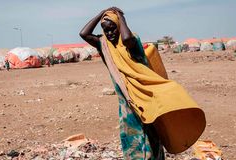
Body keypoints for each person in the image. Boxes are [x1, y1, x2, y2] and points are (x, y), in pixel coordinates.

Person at [80, 7, 206, 160]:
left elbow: (126, 38)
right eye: (106, 31)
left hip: (145, 100)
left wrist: (120, 17)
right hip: (127, 106)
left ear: (119, 26)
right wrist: (102, 13)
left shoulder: (133, 42)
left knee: (151, 138)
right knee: (133, 141)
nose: (110, 34)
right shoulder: (105, 46)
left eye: (113, 29)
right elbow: (84, 33)